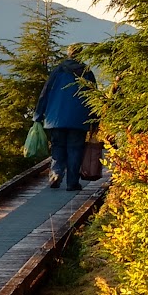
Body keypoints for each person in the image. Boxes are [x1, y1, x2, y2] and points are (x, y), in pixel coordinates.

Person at [36, 44, 97, 191]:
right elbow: (95, 98)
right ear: (81, 55)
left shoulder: (58, 71)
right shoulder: (87, 73)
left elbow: (45, 93)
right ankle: (72, 183)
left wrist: (38, 115)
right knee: (75, 149)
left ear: (68, 54)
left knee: (58, 147)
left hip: (56, 118)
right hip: (79, 119)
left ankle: (56, 174)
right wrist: (95, 121)